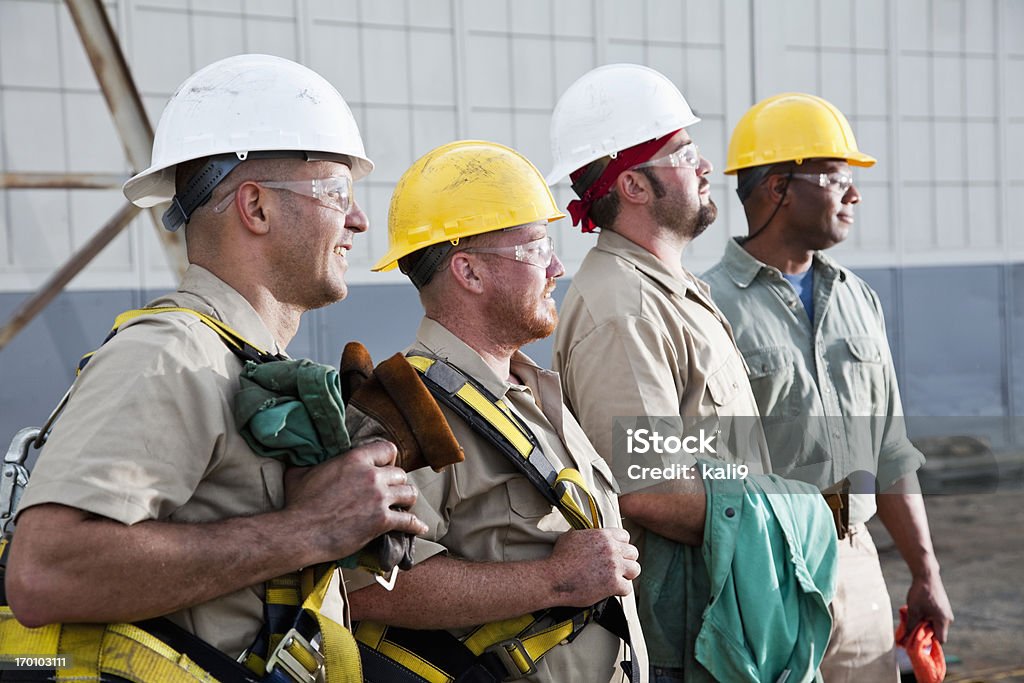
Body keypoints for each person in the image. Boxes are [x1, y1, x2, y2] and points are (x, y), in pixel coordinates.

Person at [4, 54, 427, 681]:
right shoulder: (169, 354)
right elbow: (46, 574)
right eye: (338, 194)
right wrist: (308, 530)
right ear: (255, 208)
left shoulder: (238, 359)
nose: (359, 219)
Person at [546, 64, 815, 682]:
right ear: (635, 186)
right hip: (687, 641)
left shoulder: (668, 287)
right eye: (683, 151)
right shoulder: (623, 305)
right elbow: (656, 488)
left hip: (724, 612)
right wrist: (785, 521)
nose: (704, 166)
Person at [345, 140, 649, 683]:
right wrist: (555, 580)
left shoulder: (533, 389)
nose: (557, 266)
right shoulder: (405, 410)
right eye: (535, 248)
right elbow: (369, 588)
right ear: (470, 272)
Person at [702, 92, 954, 682]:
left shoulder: (858, 301)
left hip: (857, 556)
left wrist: (925, 572)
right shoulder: (707, 307)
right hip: (763, 571)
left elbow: (890, 451)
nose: (854, 194)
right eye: (837, 177)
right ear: (779, 188)